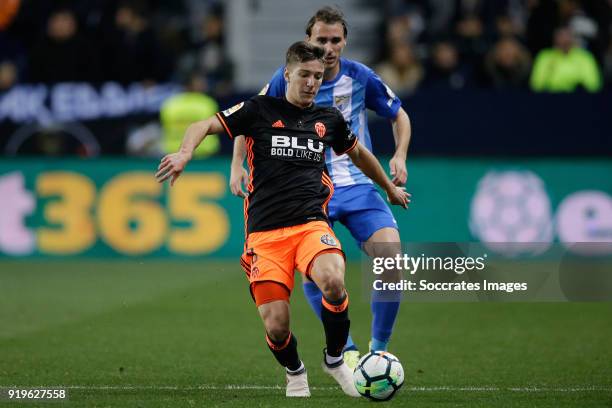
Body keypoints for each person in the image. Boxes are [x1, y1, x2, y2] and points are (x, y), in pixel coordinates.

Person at [155, 42, 410, 398]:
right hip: (266, 234)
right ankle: (294, 370)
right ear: (287, 73)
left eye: (318, 77)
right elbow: (204, 124)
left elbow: (359, 155)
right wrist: (184, 153)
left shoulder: (327, 119)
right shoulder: (259, 110)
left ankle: (336, 359)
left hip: (310, 225)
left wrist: (388, 188)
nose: (311, 83)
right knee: (277, 326)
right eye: (304, 75)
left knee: (334, 280)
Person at [230, 6, 412, 363]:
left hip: (358, 185)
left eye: (335, 40)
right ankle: (344, 350)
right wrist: (237, 165)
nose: (328, 48)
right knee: (319, 276)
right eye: (321, 40)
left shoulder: (361, 77)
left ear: (345, 41)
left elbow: (399, 114)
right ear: (308, 41)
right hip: (308, 191)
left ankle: (378, 351)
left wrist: (400, 155)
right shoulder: (288, 78)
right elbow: (250, 116)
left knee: (391, 260)